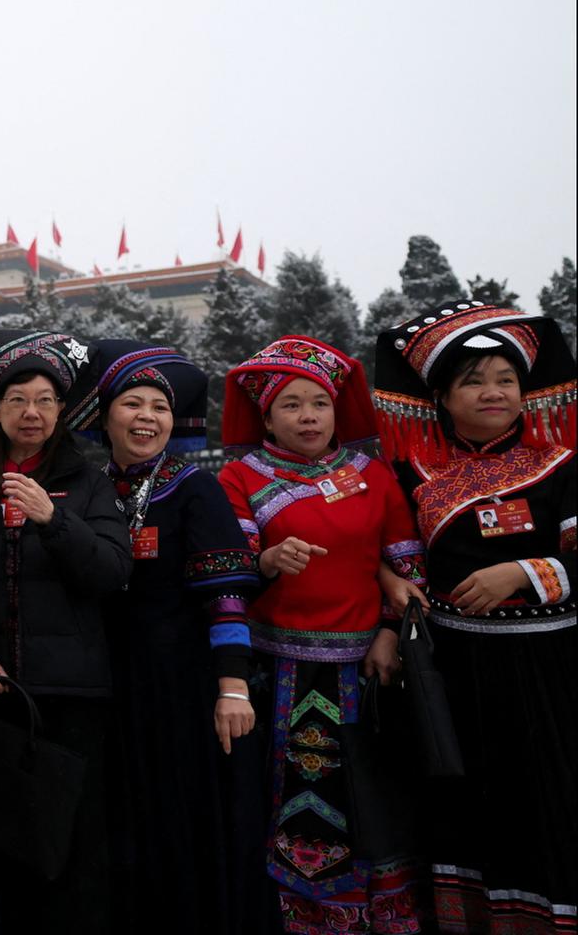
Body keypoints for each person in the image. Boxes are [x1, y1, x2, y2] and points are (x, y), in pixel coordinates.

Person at [371, 301, 577, 933]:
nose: (493, 392)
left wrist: (527, 574)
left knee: (550, 802)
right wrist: (387, 604)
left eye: (505, 379)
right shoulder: (410, 473)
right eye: (473, 381)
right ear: (440, 396)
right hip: (451, 669)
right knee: (462, 806)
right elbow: (380, 552)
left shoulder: (563, 466)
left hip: (550, 670)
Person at [217, 335, 427, 934]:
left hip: (370, 666)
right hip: (278, 671)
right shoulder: (240, 477)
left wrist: (390, 633)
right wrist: (266, 561)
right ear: (267, 415)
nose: (308, 416)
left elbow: (406, 565)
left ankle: (387, 912)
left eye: (319, 403)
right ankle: (306, 917)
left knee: (376, 798)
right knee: (295, 802)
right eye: (291, 405)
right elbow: (229, 569)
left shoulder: (373, 473)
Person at [0, 328, 132, 935]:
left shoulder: (90, 482)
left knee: (74, 852)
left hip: (71, 699)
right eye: (18, 399)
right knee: (6, 851)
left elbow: (111, 573)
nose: (32, 412)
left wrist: (54, 518)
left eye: (46, 400)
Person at [63, 339, 262, 934]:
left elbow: (226, 588)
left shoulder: (193, 487)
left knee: (181, 816)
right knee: (120, 821)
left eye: (160, 407)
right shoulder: (86, 486)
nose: (147, 417)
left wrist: (232, 686)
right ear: (104, 417)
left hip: (180, 683)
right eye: (132, 403)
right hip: (105, 680)